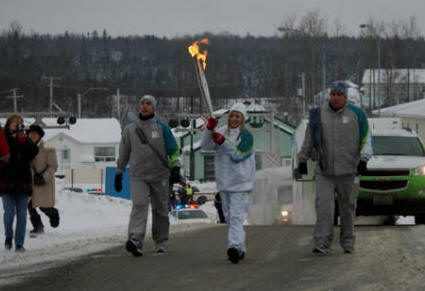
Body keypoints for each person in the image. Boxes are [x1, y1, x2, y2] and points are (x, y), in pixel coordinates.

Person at [296, 80, 372, 255]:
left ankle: (348, 242)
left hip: (349, 170)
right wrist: (302, 159)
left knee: (347, 208)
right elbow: (309, 139)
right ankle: (322, 243)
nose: (335, 98)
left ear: (345, 97)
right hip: (325, 171)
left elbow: (366, 138)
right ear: (329, 96)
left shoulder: (357, 114)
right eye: (333, 94)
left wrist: (364, 159)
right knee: (324, 208)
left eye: (339, 95)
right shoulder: (318, 115)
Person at [115, 94, 181, 257]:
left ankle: (160, 241)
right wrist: (119, 171)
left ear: (154, 107)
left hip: (160, 175)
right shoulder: (130, 130)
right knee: (139, 205)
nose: (145, 106)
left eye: (149, 104)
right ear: (139, 107)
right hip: (138, 175)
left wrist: (175, 167)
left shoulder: (161, 127)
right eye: (143, 103)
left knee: (160, 209)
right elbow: (124, 152)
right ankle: (135, 240)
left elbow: (173, 150)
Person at [200, 102, 255, 264]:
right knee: (230, 218)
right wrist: (209, 129)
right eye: (232, 115)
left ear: (243, 119)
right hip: (224, 182)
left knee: (236, 217)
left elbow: (238, 155)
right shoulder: (221, 131)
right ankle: (240, 247)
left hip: (241, 183)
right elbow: (205, 146)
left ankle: (234, 247)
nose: (234, 118)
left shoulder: (247, 136)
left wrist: (223, 142)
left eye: (238, 116)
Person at [0, 115, 39, 252]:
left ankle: (19, 243)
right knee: (9, 213)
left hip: (23, 182)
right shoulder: (3, 137)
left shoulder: (24, 139)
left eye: (20, 123)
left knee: (22, 215)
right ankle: (8, 236)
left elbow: (33, 152)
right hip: (6, 182)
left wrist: (24, 141)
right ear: (8, 124)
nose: (16, 125)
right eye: (14, 123)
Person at [26, 124, 59, 237]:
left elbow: (53, 166)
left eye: (35, 134)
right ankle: (38, 227)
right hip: (29, 182)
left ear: (40, 135)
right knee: (29, 205)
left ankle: (53, 213)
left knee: (43, 206)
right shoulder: (25, 146)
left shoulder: (48, 148)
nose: (32, 136)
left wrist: (44, 177)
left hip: (44, 182)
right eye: (30, 133)